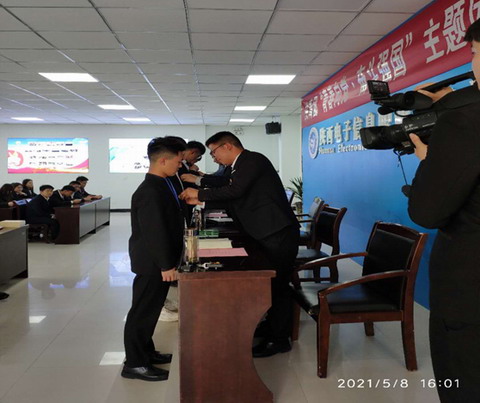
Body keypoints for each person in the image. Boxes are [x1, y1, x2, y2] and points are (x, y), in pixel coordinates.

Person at [408, 20, 480, 403]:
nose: (472, 64)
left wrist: (428, 160)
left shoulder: (465, 122)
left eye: (475, 53)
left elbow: (427, 211)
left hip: (471, 294)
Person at [179, 131, 300, 357]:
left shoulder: (252, 160)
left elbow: (235, 191)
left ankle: (279, 339)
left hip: (276, 231)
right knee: (270, 283)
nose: (214, 157)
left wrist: (200, 194)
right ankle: (271, 325)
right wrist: (200, 195)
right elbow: (230, 189)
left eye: (214, 152)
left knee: (278, 283)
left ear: (227, 146)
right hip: (264, 230)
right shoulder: (239, 166)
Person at [122, 137, 185, 382]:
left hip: (156, 260)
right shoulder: (150, 190)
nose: (180, 165)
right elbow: (155, 231)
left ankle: (146, 352)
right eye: (178, 161)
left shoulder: (161, 184)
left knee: (150, 309)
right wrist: (166, 264)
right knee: (142, 312)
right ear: (163, 160)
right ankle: (135, 364)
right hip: (152, 262)